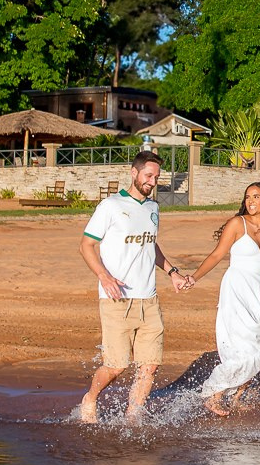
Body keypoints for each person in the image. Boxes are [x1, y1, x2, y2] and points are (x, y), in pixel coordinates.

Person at [77, 149, 188, 424]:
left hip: (148, 299)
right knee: (116, 366)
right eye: (148, 175)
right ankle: (90, 398)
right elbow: (86, 245)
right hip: (117, 299)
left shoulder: (153, 208)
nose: (152, 182)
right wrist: (104, 276)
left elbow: (151, 245)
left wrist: (172, 271)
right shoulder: (110, 206)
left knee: (149, 365)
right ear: (134, 172)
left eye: (157, 177)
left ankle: (133, 415)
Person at [185, 181, 260, 417]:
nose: (250, 202)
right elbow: (217, 254)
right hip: (235, 289)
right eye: (247, 197)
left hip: (256, 291)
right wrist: (194, 278)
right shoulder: (237, 224)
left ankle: (237, 396)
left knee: (259, 346)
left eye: (256, 197)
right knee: (241, 346)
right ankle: (215, 396)